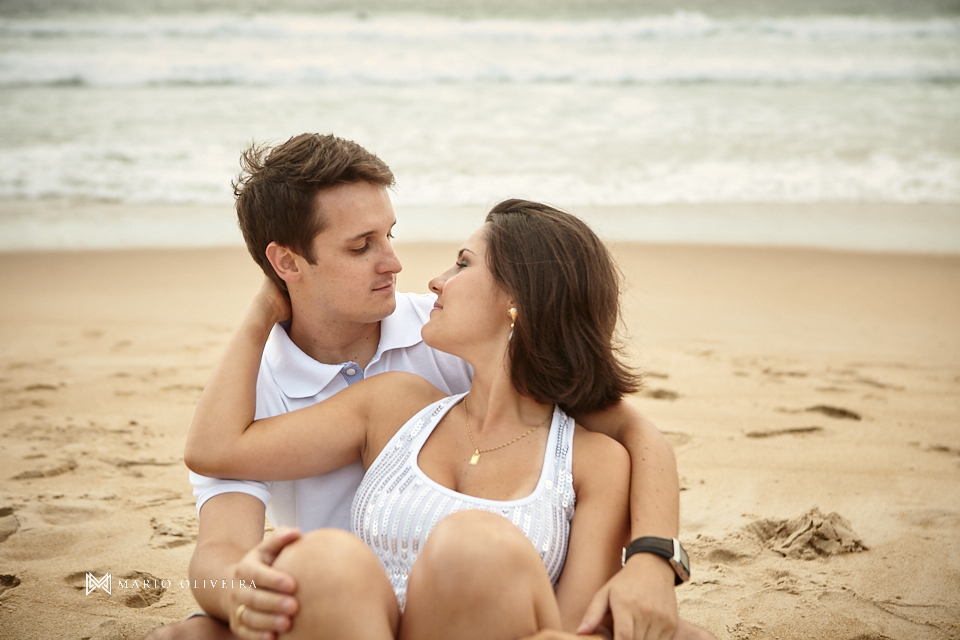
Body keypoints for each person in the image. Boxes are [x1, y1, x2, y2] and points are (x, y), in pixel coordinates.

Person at [145, 134, 686, 640]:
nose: (401, 266)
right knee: (220, 616)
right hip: (334, 609)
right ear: (286, 262)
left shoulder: (445, 330)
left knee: (479, 552)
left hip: (483, 609)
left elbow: (633, 433)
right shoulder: (259, 391)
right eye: (362, 246)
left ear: (518, 303)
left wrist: (655, 558)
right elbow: (216, 509)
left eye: (390, 235)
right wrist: (261, 312)